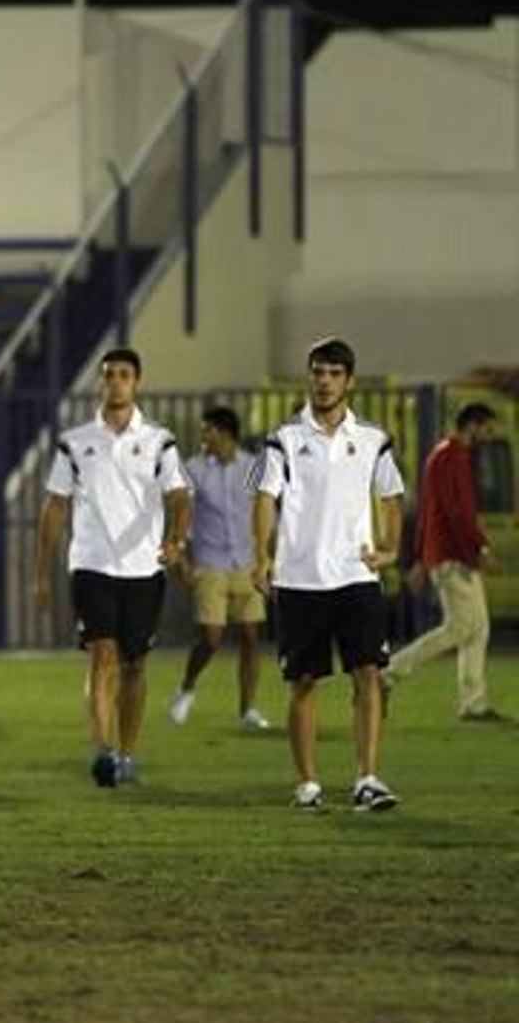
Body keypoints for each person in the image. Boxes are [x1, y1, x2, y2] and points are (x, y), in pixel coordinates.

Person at [250, 337, 405, 812]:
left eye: (334, 373)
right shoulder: (284, 439)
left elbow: (392, 495)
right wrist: (262, 556)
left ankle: (367, 779)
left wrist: (391, 549)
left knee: (368, 676)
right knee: (304, 683)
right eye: (318, 372)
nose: (324, 381)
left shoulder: (374, 439)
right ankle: (308, 784)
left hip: (357, 576)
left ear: (350, 381)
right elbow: (263, 499)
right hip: (300, 578)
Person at [36, 348, 191, 788]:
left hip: (144, 567)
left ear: (137, 382)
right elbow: (54, 506)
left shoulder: (160, 441)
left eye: (124, 375)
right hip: (92, 564)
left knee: (136, 664)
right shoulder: (75, 441)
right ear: (99, 384)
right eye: (108, 376)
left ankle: (128, 752)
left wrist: (176, 540)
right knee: (103, 656)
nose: (116, 382)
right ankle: (103, 752)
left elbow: (179, 496)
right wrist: (41, 572)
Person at [388, 402, 502, 721]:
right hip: (454, 555)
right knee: (461, 628)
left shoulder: (449, 455)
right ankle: (390, 672)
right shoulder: (451, 457)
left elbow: (432, 513)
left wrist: (421, 559)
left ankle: (474, 702)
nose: (490, 437)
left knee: (477, 629)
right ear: (474, 426)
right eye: (488, 429)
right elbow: (457, 513)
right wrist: (480, 550)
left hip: (453, 553)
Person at [168, 407, 271, 730]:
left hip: (246, 562)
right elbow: (181, 517)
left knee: (251, 638)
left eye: (208, 430)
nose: (203, 437)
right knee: (211, 638)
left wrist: (269, 558)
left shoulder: (253, 467)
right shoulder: (195, 470)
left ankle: (248, 710)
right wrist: (183, 559)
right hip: (210, 563)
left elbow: (266, 514)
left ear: (225, 434)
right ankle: (186, 687)